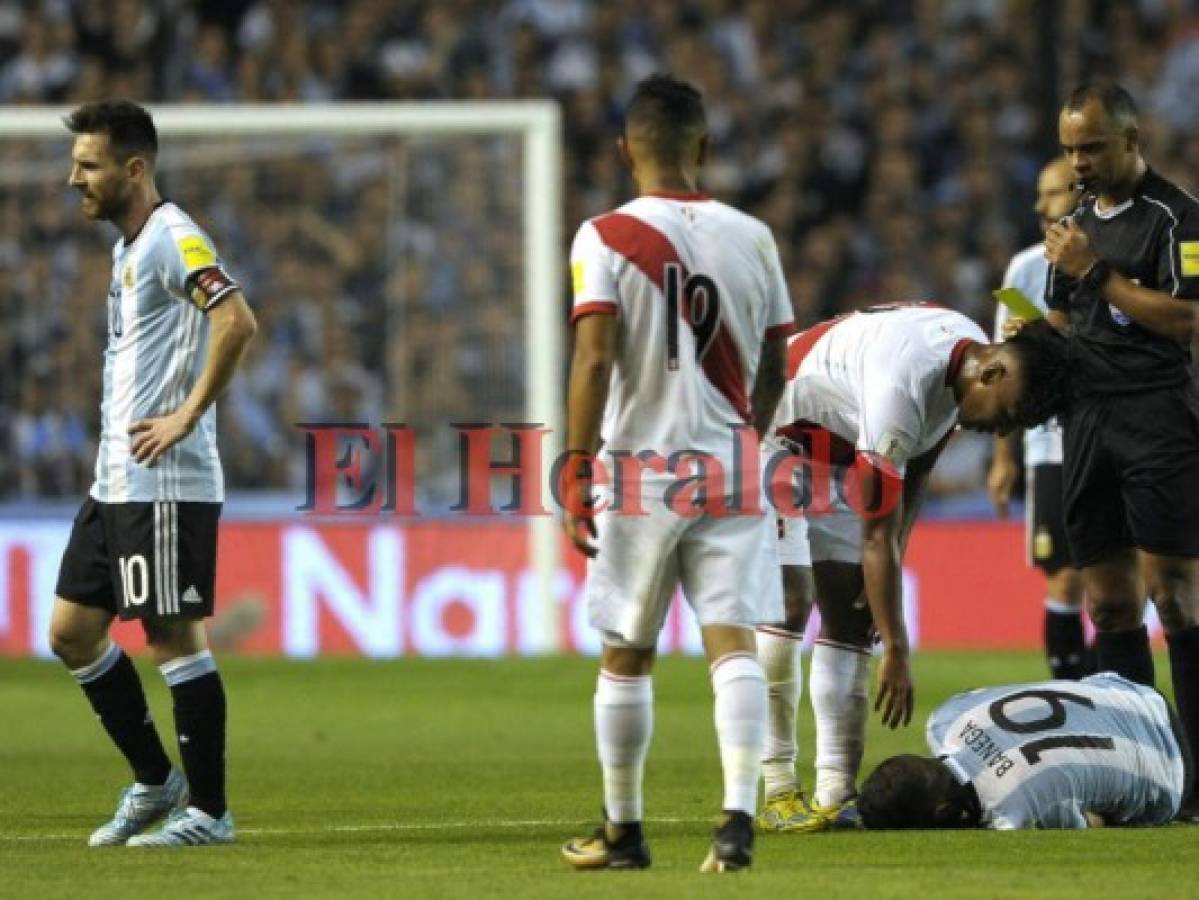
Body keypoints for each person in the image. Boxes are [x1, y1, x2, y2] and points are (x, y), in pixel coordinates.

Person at [558, 74, 794, 873]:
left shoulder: (602, 235)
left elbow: (593, 358)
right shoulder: (754, 235)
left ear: (626, 151)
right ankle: (736, 822)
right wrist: (750, 431)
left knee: (627, 649)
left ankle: (623, 833)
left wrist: (573, 465)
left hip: (640, 470)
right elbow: (779, 357)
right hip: (732, 462)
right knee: (732, 643)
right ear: (706, 148)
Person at [755, 304, 1071, 833]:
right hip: (773, 428)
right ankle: (777, 789)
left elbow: (916, 474)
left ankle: (836, 791)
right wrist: (897, 648)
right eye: (1009, 413)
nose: (1001, 431)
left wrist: (888, 574)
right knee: (790, 601)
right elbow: (877, 535)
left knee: (852, 610)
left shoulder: (963, 363)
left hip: (840, 447)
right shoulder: (900, 383)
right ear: (993, 371)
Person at [49, 100, 257, 846]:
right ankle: (153, 779)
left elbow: (236, 319)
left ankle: (208, 810)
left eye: (89, 164)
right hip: (116, 481)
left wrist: (186, 414)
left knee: (173, 638)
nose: (74, 178)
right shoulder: (129, 247)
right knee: (72, 632)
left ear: (134, 169)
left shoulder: (174, 236)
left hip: (164, 480)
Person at [1033, 82, 1199, 819]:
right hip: (1085, 422)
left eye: (1092, 147)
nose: (1079, 162)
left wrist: (1094, 272)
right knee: (1108, 605)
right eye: (1070, 149)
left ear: (1131, 141)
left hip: (1158, 418)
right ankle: (1140, 779)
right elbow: (1061, 320)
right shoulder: (1068, 226)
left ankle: (1196, 778)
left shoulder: (1177, 218)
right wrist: (1029, 347)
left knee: (1176, 596)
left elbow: (1186, 319)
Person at [987, 159, 1088, 680]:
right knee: (1065, 578)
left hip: (1107, 436)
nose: (1039, 206)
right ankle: (1070, 691)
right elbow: (1005, 365)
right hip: (1049, 447)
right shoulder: (1022, 270)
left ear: (1076, 193)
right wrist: (1005, 456)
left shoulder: (1112, 257)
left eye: (1049, 195)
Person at [857, 673, 1191, 830]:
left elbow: (1092, 823)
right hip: (1134, 693)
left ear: (945, 813)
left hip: (1173, 773)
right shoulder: (945, 719)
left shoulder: (1015, 811)